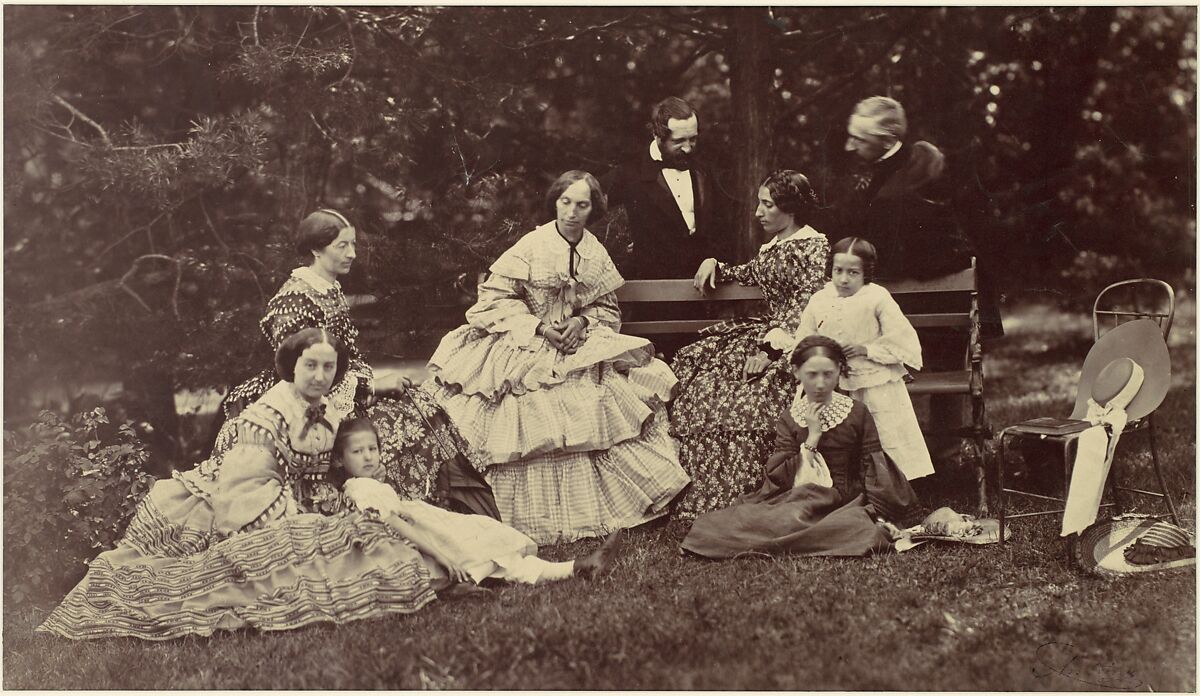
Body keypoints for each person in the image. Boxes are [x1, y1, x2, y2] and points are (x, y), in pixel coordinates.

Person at [38, 329, 436, 640]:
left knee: (362, 546)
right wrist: (295, 524)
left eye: (328, 368)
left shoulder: (325, 407)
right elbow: (246, 487)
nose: (320, 376)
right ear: (291, 367)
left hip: (294, 495)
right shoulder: (268, 414)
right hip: (239, 501)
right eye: (310, 366)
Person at [424, 170, 690, 545]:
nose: (572, 212)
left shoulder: (594, 250)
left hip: (576, 343)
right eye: (566, 202)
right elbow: (494, 300)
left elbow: (606, 307)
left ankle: (597, 511)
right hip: (525, 340)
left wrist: (581, 321)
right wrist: (540, 328)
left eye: (582, 205)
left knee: (600, 403)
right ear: (555, 203)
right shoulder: (532, 245)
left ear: (592, 209)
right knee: (529, 414)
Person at [216, 209, 498, 519]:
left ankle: (451, 515)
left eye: (353, 244)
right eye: (342, 246)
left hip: (339, 389)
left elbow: (345, 356)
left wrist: (377, 378)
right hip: (300, 402)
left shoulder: (329, 288)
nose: (352, 253)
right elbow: (306, 374)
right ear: (315, 249)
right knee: (395, 427)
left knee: (423, 407)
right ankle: (393, 516)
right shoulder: (294, 299)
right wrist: (372, 385)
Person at [668, 170, 829, 518]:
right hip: (768, 336)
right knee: (704, 382)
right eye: (759, 203)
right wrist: (714, 263)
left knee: (748, 397)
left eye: (767, 205)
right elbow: (749, 272)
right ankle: (704, 492)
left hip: (796, 342)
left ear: (790, 209)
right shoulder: (774, 246)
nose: (758, 212)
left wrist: (771, 350)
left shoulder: (814, 246)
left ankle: (749, 493)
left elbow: (808, 302)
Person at [680, 336, 922, 559]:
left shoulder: (857, 412)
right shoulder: (789, 417)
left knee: (855, 527)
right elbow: (780, 478)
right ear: (797, 373)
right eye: (812, 374)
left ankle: (824, 531)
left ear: (839, 372)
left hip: (845, 501)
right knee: (736, 522)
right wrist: (813, 436)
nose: (819, 383)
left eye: (828, 374)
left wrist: (879, 511)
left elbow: (873, 464)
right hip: (801, 498)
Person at [332, 417, 622, 586]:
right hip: (423, 538)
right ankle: (470, 579)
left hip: (427, 524)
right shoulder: (359, 491)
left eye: (373, 448)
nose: (369, 456)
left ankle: (578, 567)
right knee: (485, 551)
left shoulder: (368, 485)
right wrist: (442, 556)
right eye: (358, 452)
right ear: (339, 460)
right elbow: (394, 522)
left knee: (492, 546)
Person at [790, 237, 934, 481]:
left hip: (872, 380)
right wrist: (822, 354)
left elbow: (903, 341)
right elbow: (803, 340)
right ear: (830, 269)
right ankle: (833, 483)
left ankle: (891, 485)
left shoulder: (876, 297)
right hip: (831, 383)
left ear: (866, 273)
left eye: (853, 272)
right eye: (838, 271)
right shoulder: (819, 300)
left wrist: (866, 350)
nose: (844, 279)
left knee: (883, 431)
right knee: (832, 433)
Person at [602, 96, 722, 280]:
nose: (688, 148)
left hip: (702, 288)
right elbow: (590, 204)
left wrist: (714, 260)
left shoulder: (704, 168)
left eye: (693, 139)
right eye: (679, 141)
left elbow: (721, 224)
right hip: (652, 291)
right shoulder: (629, 173)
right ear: (657, 135)